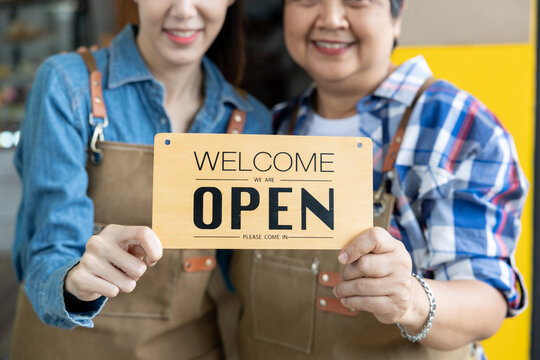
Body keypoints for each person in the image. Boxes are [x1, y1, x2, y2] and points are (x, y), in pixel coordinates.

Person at [230, 0, 528, 359]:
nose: (331, 19)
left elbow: (487, 302)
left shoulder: (459, 126)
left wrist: (411, 298)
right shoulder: (269, 130)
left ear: (397, 15)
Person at [10, 0, 271, 359]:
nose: (183, 10)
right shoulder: (67, 85)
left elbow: (241, 284)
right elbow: (47, 252)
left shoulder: (254, 122)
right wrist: (75, 281)